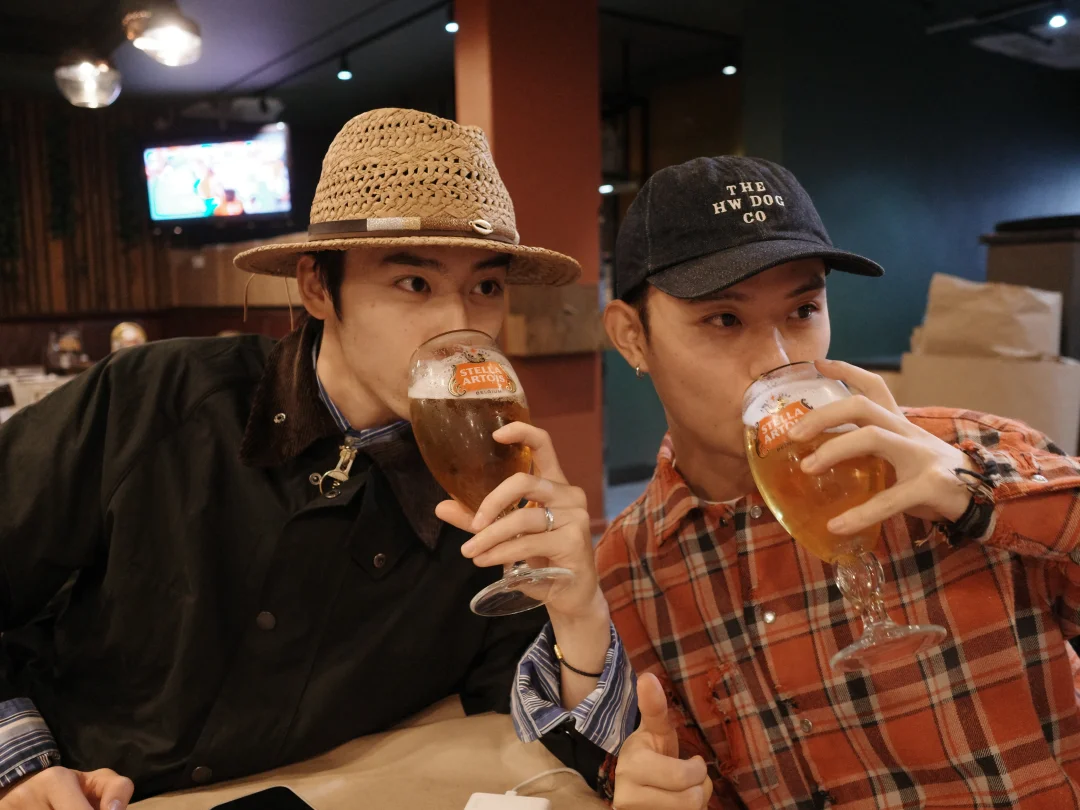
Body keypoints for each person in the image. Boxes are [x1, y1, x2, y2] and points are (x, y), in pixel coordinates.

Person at [453, 156, 1080, 809]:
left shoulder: (966, 452)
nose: (777, 362)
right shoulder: (629, 576)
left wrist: (975, 496)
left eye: (803, 309)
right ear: (631, 338)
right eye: (724, 320)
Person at [0, 108, 583, 808]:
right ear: (316, 287)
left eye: (485, 287)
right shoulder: (155, 398)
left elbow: (541, 728)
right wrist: (20, 763)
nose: (458, 325)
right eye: (414, 283)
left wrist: (578, 608)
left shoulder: (487, 479)